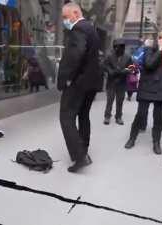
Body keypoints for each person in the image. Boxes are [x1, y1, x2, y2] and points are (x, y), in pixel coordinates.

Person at [58, 3, 103, 173]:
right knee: (83, 116)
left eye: (65, 16)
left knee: (66, 117)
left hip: (77, 82)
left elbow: (75, 55)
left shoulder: (79, 29)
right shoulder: (91, 29)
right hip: (90, 83)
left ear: (75, 13)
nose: (64, 20)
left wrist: (68, 78)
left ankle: (80, 156)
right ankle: (83, 150)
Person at [124, 31, 162, 155]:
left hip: (161, 89)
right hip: (147, 87)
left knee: (158, 118)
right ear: (159, 39)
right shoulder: (150, 49)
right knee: (141, 114)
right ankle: (132, 138)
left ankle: (156, 143)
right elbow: (149, 64)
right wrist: (160, 50)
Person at [103, 39, 133, 125]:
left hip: (122, 82)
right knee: (110, 100)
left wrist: (124, 71)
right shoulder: (109, 56)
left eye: (122, 47)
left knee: (120, 101)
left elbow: (131, 68)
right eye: (118, 47)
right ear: (115, 47)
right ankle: (107, 116)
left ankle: (118, 117)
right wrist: (110, 71)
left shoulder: (127, 57)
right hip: (111, 81)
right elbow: (104, 65)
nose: (120, 49)